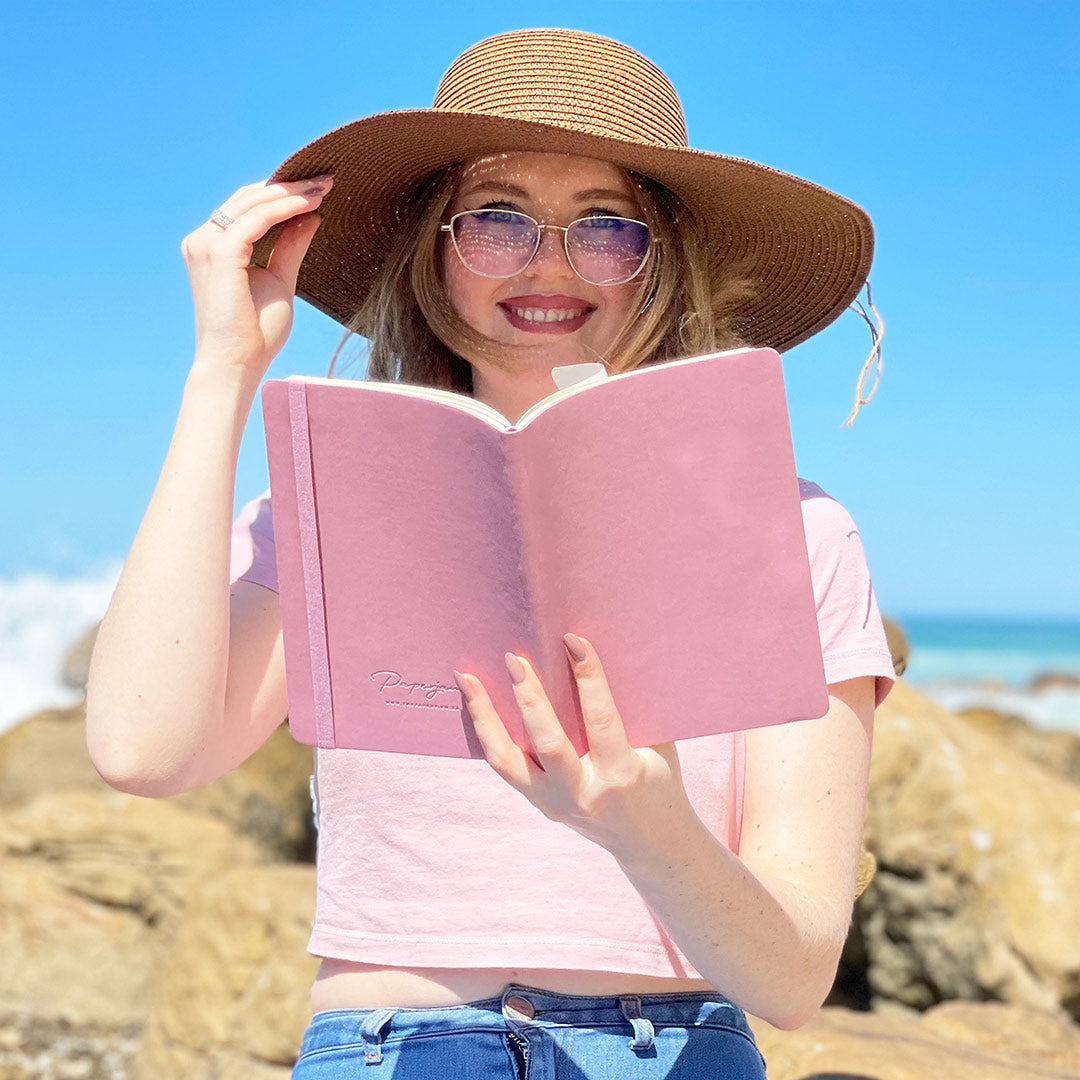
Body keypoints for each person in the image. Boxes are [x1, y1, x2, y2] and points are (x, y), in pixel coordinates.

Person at [85, 27, 896, 1080]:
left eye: (607, 227)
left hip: (671, 1048)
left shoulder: (797, 531)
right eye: (498, 220)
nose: (549, 264)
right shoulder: (328, 506)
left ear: (667, 257)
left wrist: (648, 827)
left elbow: (791, 979)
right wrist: (223, 372)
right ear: (433, 248)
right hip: (388, 1047)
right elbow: (142, 750)